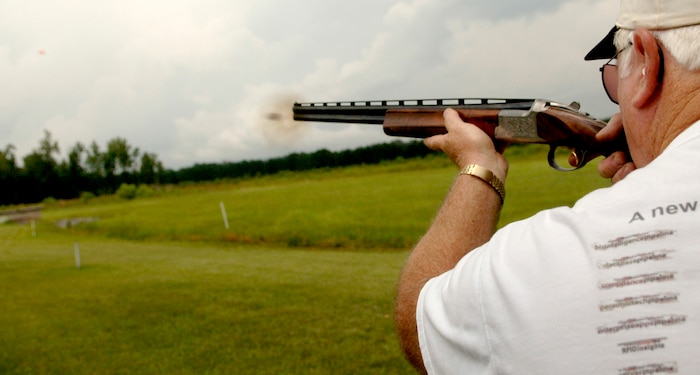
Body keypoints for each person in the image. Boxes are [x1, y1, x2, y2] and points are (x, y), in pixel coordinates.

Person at [395, 0, 700, 373]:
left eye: (615, 74)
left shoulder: (554, 255)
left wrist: (480, 167)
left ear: (647, 62)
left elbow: (421, 324)